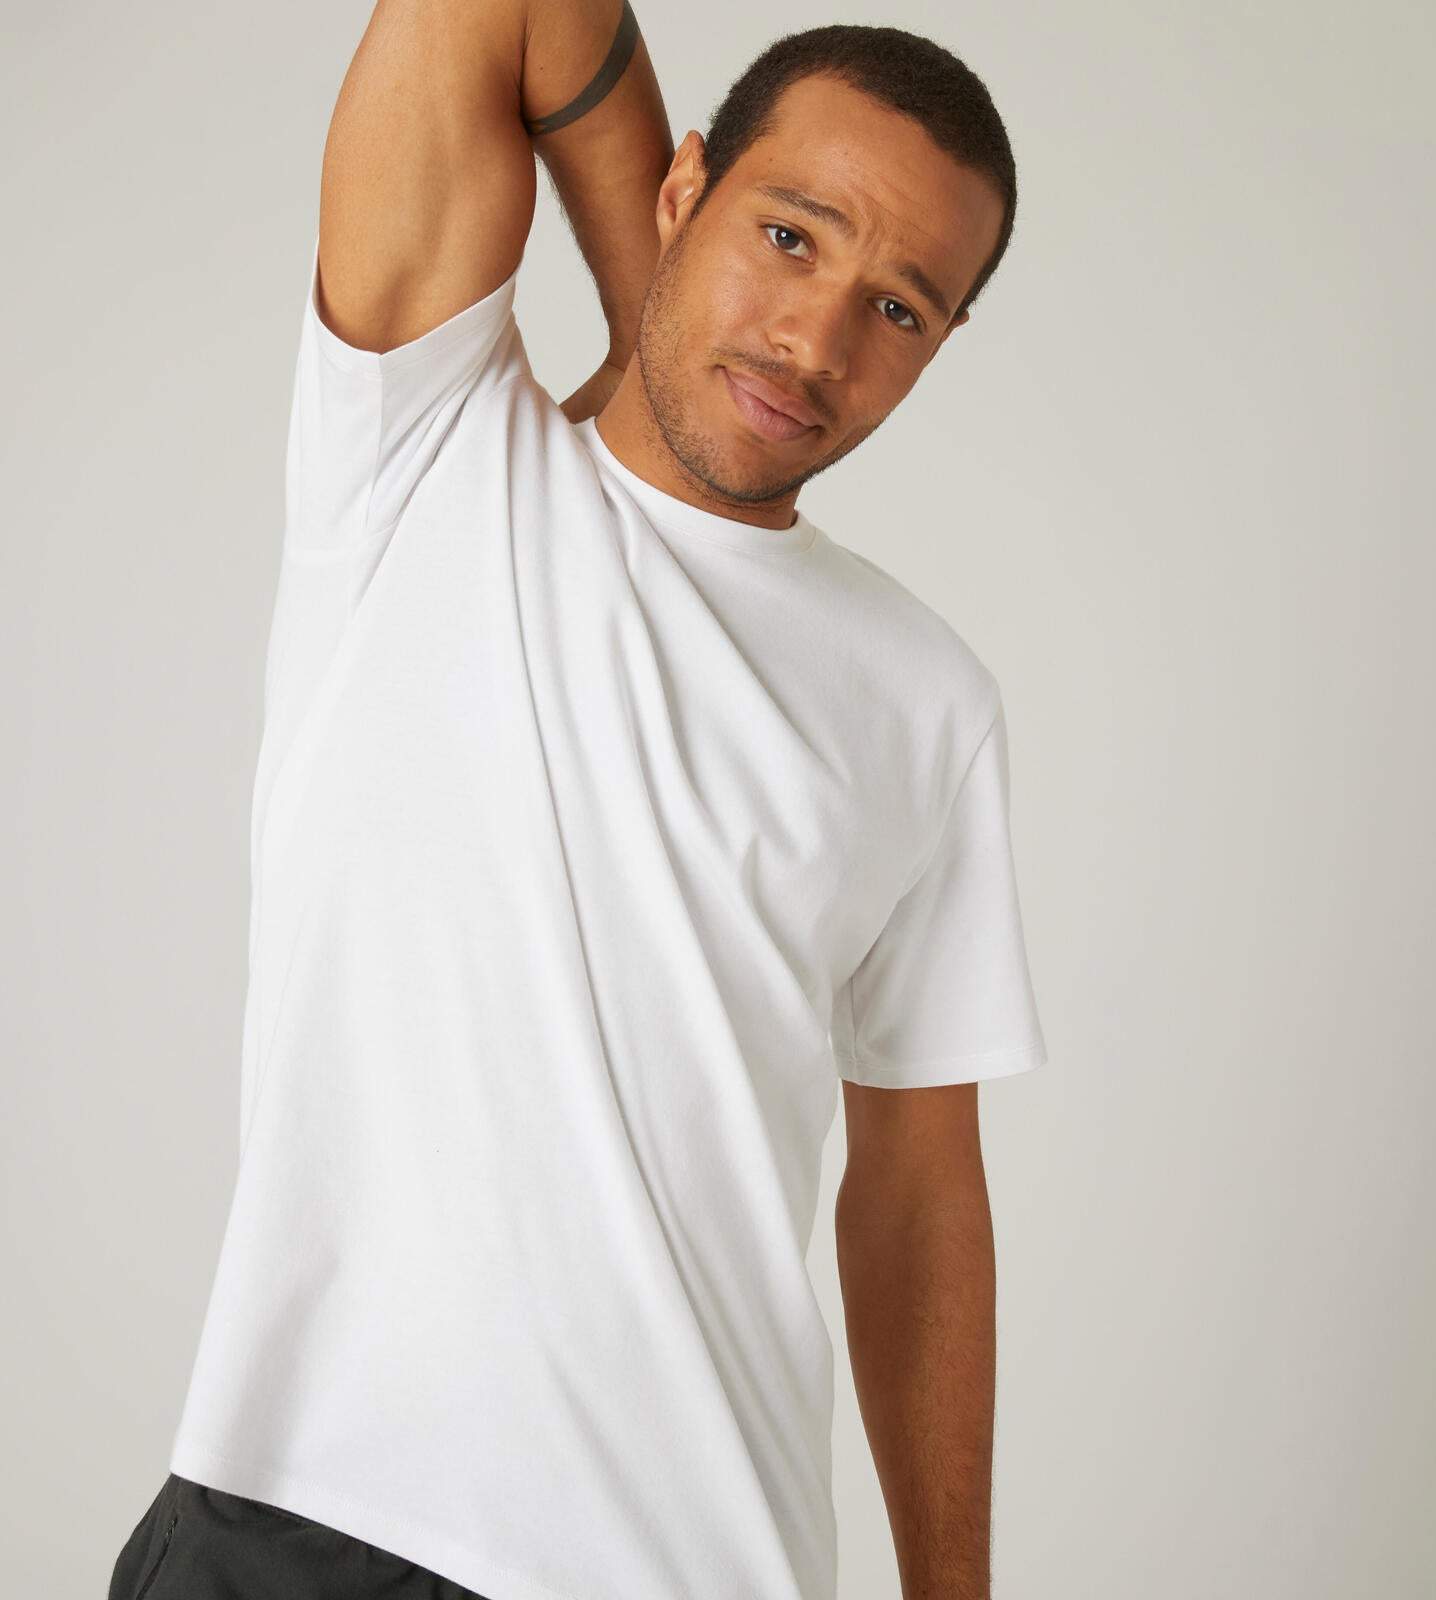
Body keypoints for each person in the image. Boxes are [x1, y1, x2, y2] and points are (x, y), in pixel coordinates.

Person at [107, 2, 1048, 1597]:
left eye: (898, 306)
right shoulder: (422, 453)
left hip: (693, 1561)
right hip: (291, 1522)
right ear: (685, 187)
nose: (816, 341)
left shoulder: (927, 701)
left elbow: (919, 1200)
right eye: (789, 234)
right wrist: (640, 309)